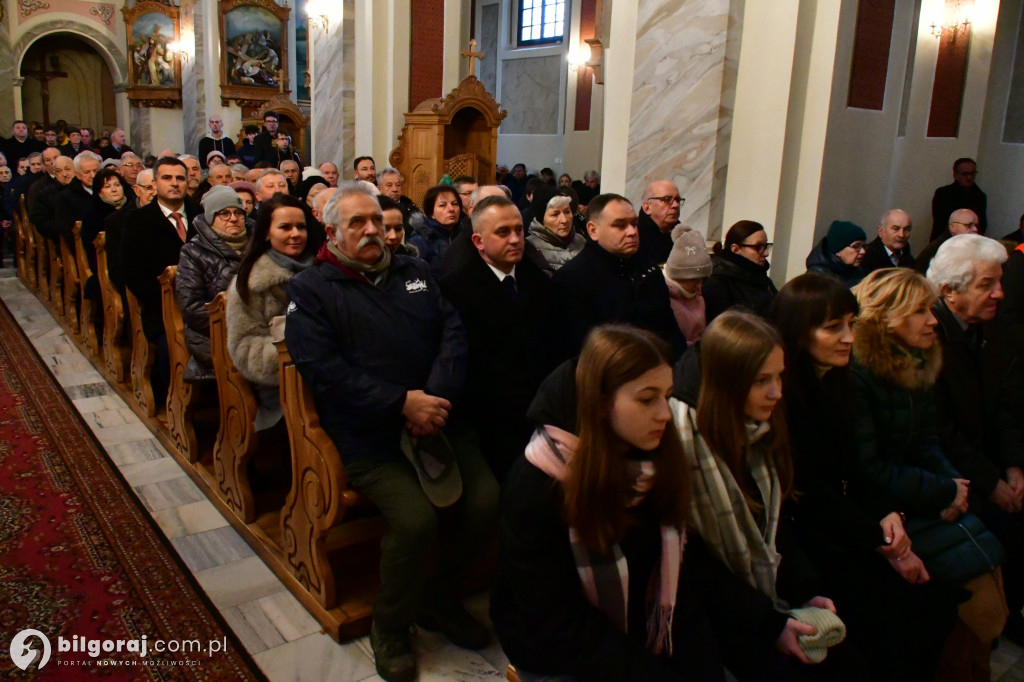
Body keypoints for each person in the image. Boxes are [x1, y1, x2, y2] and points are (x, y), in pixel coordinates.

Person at [285, 183, 498, 682]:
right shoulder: (313, 289)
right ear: (333, 231)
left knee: (488, 501)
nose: (371, 231)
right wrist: (401, 402)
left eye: (376, 222)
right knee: (416, 520)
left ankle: (438, 598)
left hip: (437, 420)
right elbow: (323, 369)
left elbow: (452, 333)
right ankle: (390, 625)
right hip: (370, 434)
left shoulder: (415, 270)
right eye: (357, 223)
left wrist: (435, 399)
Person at [492, 325, 724, 681]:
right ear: (600, 404)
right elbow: (557, 622)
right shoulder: (536, 485)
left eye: (668, 395)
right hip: (557, 650)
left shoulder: (651, 456)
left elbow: (686, 565)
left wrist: (770, 624)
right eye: (648, 399)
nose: (665, 412)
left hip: (638, 627)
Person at [771, 273, 957, 680]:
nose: (849, 338)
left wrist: (886, 514)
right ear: (799, 333)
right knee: (901, 620)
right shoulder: (781, 395)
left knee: (934, 605)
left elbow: (856, 466)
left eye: (852, 324)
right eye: (833, 327)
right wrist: (883, 541)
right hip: (804, 538)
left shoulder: (837, 382)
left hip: (841, 521)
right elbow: (810, 492)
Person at [674, 310, 863, 681]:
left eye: (779, 376)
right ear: (726, 382)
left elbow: (775, 524)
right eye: (762, 380)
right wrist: (769, 621)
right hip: (711, 611)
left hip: (761, 595)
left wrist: (806, 591)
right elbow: (691, 564)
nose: (777, 392)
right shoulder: (681, 443)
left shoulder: (759, 427)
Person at [849, 268, 1009, 681]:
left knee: (987, 563)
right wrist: (942, 491)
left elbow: (926, 442)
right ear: (887, 317)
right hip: (886, 508)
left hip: (920, 494)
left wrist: (957, 488)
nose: (933, 319)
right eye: (920, 311)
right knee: (966, 602)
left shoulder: (917, 362)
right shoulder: (860, 375)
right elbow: (868, 468)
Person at [927, 234, 1024, 642]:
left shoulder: (992, 331)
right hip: (953, 476)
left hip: (987, 465)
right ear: (950, 291)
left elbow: (1006, 406)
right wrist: (992, 482)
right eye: (987, 284)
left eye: (999, 281)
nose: (1000, 293)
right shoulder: (931, 338)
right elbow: (942, 431)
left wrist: (1015, 465)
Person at [438, 195, 566, 479]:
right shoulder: (456, 289)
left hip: (538, 405)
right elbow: (466, 364)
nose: (515, 239)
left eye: (519, 230)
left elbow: (554, 346)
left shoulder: (539, 282)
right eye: (503, 232)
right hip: (485, 416)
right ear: (478, 242)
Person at [554, 193, 686, 357]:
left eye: (634, 223)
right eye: (620, 225)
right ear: (593, 230)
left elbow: (671, 332)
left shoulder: (649, 270)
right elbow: (584, 351)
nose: (632, 232)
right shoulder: (572, 279)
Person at [227, 194, 313, 430]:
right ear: (266, 232)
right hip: (281, 387)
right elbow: (244, 348)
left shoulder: (321, 269)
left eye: (301, 227)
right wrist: (298, 353)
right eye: (285, 227)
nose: (295, 234)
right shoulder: (251, 282)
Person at [121, 157, 202, 400]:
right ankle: (178, 402)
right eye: (167, 178)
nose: (174, 183)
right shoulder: (137, 221)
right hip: (161, 308)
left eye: (180, 178)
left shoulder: (201, 215)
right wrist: (170, 303)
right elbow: (132, 272)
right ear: (155, 183)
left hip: (202, 305)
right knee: (173, 347)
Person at [176, 186, 253, 380]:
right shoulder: (193, 252)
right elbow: (191, 307)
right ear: (211, 218)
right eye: (224, 214)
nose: (233, 219)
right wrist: (242, 320)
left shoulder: (261, 243)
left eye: (238, 213)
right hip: (213, 336)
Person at [703, 220, 778, 323]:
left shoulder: (761, 277)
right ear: (735, 249)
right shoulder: (718, 282)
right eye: (758, 247)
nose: (765, 253)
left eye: (766, 246)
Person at [663, 226, 712, 346]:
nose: (699, 285)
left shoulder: (697, 294)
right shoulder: (663, 295)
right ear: (680, 276)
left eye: (702, 279)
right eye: (694, 280)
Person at [525, 184, 586, 275]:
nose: (564, 220)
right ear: (542, 219)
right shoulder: (530, 248)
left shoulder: (581, 240)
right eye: (555, 214)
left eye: (567, 212)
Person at [407, 184, 464, 275]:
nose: (451, 209)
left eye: (455, 204)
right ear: (431, 213)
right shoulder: (421, 239)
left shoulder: (466, 233)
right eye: (442, 205)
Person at [931, 158, 987, 239]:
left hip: (970, 240)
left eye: (972, 173)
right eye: (965, 174)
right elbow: (940, 223)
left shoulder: (980, 196)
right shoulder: (943, 194)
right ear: (955, 175)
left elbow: (982, 225)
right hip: (944, 240)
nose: (969, 177)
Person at [915, 208, 979, 274]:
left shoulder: (966, 245)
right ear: (952, 227)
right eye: (968, 225)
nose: (975, 229)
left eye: (976, 225)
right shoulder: (940, 248)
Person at [805, 220, 866, 288]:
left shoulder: (857, 271)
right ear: (838, 250)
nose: (863, 251)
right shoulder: (817, 277)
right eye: (856, 246)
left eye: (863, 246)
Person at [637, 180, 684, 265]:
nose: (676, 205)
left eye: (677, 200)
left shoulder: (684, 236)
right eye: (667, 199)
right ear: (647, 207)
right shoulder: (634, 237)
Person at [862, 209, 915, 274]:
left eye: (906, 229)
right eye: (896, 229)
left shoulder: (907, 256)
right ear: (880, 231)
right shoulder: (866, 258)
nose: (901, 235)